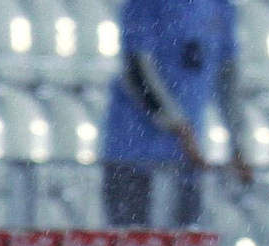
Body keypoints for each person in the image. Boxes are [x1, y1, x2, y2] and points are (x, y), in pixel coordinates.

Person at [102, 0, 252, 227]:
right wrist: (179, 126)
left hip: (186, 160)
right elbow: (137, 71)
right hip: (133, 154)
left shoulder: (220, 8)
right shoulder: (145, 6)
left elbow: (227, 80)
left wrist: (239, 145)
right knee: (134, 245)